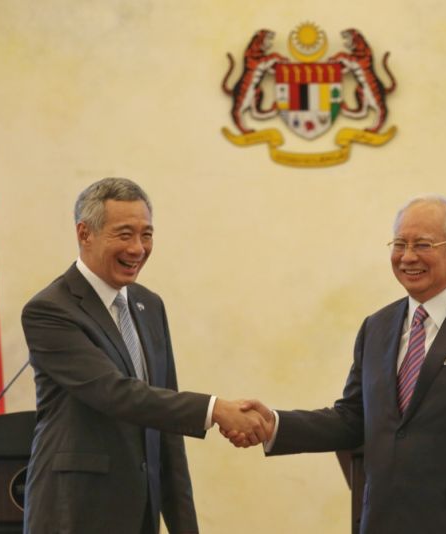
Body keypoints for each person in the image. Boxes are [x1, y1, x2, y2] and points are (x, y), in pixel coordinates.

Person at [230, 195, 446, 533]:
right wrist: (273, 424)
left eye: (422, 244)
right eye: (399, 244)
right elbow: (352, 419)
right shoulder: (376, 327)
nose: (408, 257)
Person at [21, 177, 268, 534]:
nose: (138, 248)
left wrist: (185, 527)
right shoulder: (50, 310)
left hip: (140, 516)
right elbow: (116, 393)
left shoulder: (148, 305)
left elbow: (167, 428)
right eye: (124, 234)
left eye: (146, 235)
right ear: (84, 234)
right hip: (74, 513)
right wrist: (215, 410)